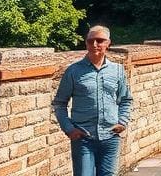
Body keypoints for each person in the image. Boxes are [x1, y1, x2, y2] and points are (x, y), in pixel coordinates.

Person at [53, 25, 133, 176]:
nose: (95, 44)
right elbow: (59, 103)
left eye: (100, 40)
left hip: (110, 137)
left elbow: (126, 99)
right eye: (91, 41)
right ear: (86, 43)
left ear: (108, 43)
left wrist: (122, 121)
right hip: (83, 138)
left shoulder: (117, 70)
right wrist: (69, 128)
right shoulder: (74, 71)